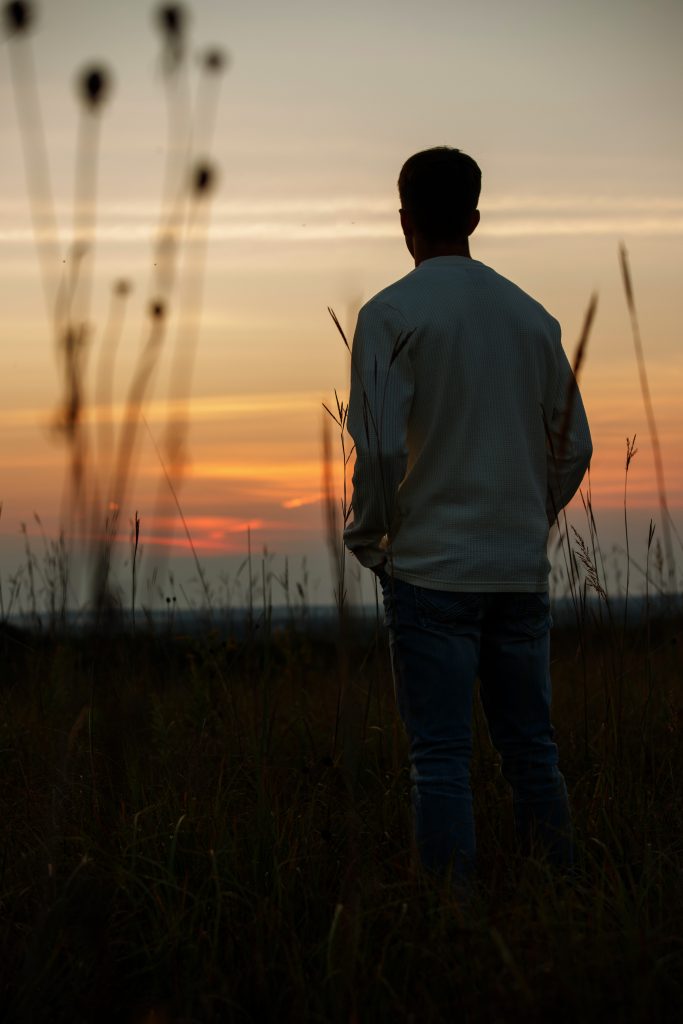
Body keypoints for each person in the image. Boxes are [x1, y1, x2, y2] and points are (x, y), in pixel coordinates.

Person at [343, 146, 592, 892]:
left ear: (403, 220)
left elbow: (382, 448)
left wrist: (371, 535)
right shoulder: (531, 318)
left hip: (428, 570)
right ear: (475, 218)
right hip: (517, 569)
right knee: (532, 754)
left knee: (440, 761)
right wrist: (526, 514)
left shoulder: (390, 315)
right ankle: (562, 904)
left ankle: (449, 925)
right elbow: (572, 447)